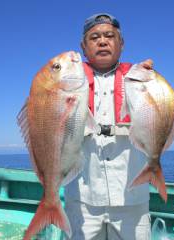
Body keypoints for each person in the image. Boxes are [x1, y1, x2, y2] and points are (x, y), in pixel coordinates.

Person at [64, 13, 153, 240]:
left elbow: (159, 118)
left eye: (109, 36)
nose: (102, 41)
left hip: (132, 199)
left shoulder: (139, 79)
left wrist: (153, 85)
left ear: (121, 44)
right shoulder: (68, 81)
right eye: (94, 37)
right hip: (82, 200)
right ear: (83, 47)